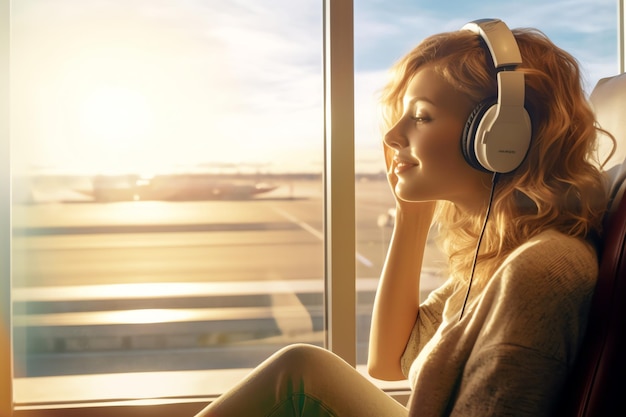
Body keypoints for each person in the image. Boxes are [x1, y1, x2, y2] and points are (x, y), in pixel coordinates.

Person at [194, 18, 613, 417]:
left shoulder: (540, 269)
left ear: (501, 137)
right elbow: (389, 360)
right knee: (303, 368)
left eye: (421, 116)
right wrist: (409, 218)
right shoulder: (500, 255)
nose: (392, 137)